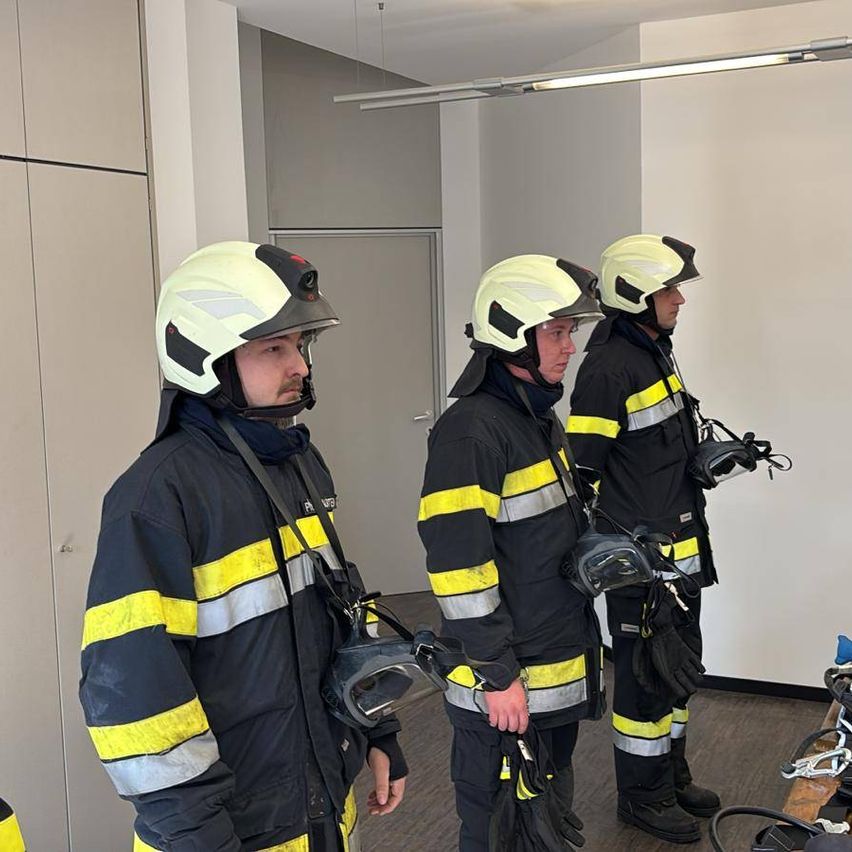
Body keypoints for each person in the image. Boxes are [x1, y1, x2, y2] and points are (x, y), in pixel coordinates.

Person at [79, 242, 407, 852]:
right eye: (274, 348)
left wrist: (378, 728)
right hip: (228, 835)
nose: (300, 365)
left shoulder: (298, 462)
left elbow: (340, 611)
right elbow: (136, 705)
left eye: (300, 345)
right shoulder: (156, 497)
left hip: (320, 809)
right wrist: (202, 838)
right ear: (206, 356)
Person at [418, 255, 605, 851]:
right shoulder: (471, 432)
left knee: (546, 821)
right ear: (512, 334)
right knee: (498, 830)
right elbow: (458, 569)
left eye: (570, 331)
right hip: (506, 686)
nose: (570, 347)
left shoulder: (537, 419)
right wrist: (497, 675)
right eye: (557, 332)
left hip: (549, 673)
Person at [567, 234, 721, 843]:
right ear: (635, 294)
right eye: (669, 289)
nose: (680, 299)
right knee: (643, 680)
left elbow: (655, 454)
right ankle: (642, 796)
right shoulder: (609, 368)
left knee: (676, 672)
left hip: (681, 554)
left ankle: (671, 777)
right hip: (643, 565)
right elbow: (582, 471)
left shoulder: (654, 352)